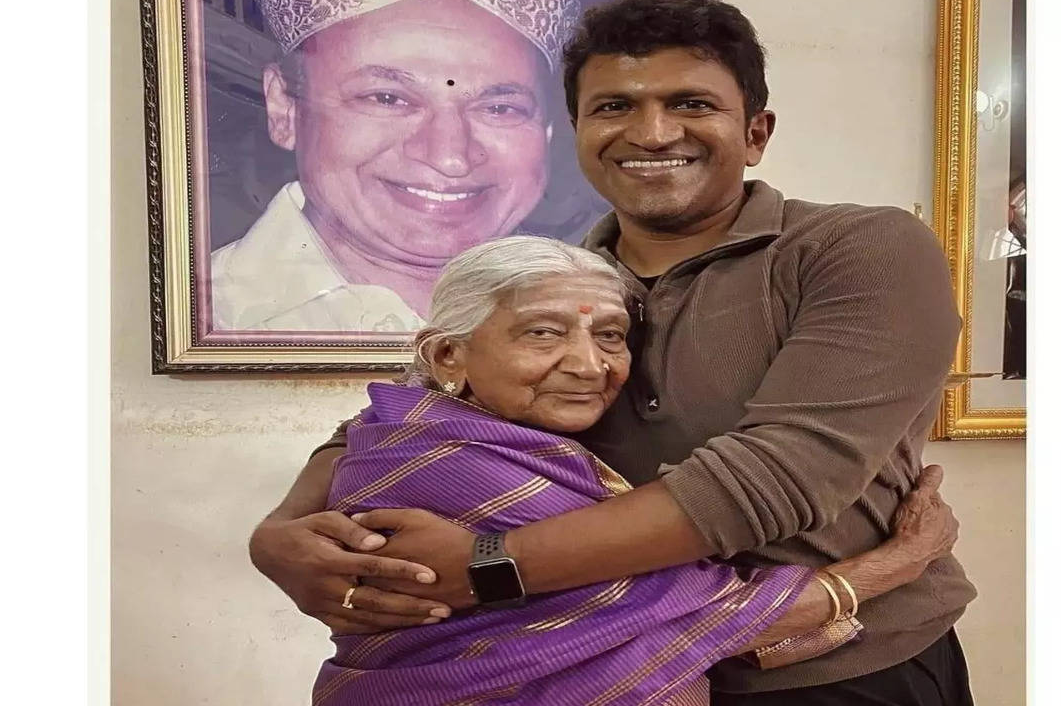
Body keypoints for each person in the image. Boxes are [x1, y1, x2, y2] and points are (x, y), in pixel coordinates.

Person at [250, 0, 978, 705]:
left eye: (691, 103)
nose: (653, 133)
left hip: (841, 668)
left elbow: (779, 479)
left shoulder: (855, 250)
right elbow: (408, 407)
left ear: (756, 132)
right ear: (577, 132)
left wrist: (487, 568)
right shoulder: (559, 278)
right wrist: (279, 537)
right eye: (614, 106)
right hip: (591, 674)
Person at [311, 236, 959, 705]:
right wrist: (902, 560)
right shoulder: (450, 472)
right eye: (542, 334)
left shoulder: (408, 431)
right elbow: (711, 613)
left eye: (611, 336)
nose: (589, 365)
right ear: (449, 353)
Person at [211, 0, 579, 331]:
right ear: (284, 109)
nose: (450, 158)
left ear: (546, 130)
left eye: (500, 108)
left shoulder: (603, 322)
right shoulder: (207, 321)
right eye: (387, 98)